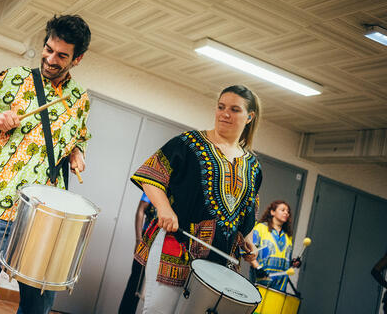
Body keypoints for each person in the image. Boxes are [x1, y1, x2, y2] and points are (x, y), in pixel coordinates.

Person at [0, 14, 92, 314]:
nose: (51, 59)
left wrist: (76, 152)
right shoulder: (13, 78)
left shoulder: (80, 99)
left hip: (46, 214)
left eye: (61, 55)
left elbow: (79, 136)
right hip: (0, 204)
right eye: (48, 49)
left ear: (77, 59)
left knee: (39, 302)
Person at [130, 85, 263, 313]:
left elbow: (246, 213)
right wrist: (164, 209)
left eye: (234, 109)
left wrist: (249, 241)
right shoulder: (188, 143)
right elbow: (150, 176)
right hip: (176, 246)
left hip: (219, 261)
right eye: (221, 107)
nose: (225, 114)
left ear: (249, 117)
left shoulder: (253, 167)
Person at [249, 200, 301, 292]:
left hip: (281, 284)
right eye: (283, 210)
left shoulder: (287, 236)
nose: (286, 213)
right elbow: (248, 252)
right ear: (272, 212)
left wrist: (293, 263)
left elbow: (284, 260)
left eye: (288, 211)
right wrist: (257, 267)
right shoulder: (260, 228)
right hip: (261, 279)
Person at [118, 193, 156, 313]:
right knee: (135, 282)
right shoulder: (156, 182)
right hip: (147, 239)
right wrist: (139, 240)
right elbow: (141, 210)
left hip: (167, 244)